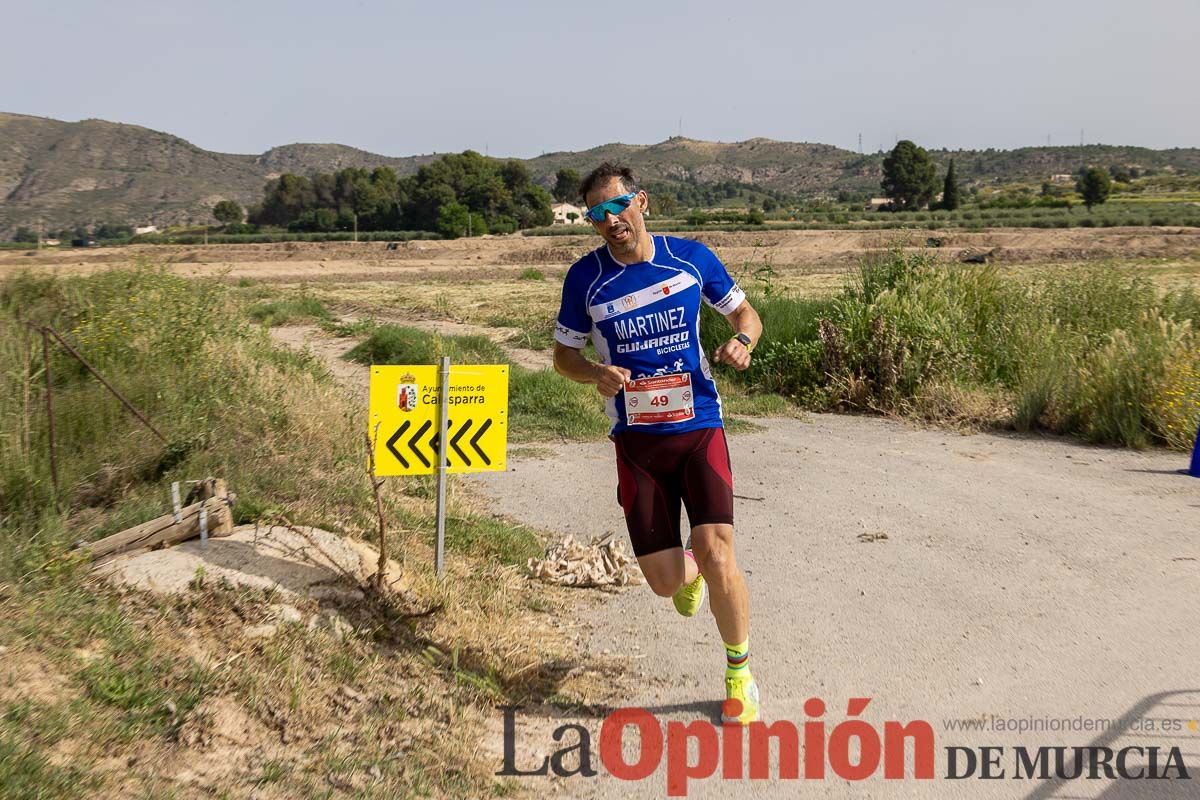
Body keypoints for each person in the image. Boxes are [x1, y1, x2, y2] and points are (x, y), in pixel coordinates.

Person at [552, 162, 764, 724]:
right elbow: (562, 358)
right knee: (666, 581)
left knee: (723, 552)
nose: (609, 220)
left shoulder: (691, 258)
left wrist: (742, 340)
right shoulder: (586, 279)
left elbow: (746, 314)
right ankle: (687, 566)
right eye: (596, 214)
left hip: (699, 426)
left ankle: (739, 673)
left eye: (617, 206)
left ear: (641, 201)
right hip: (638, 443)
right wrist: (592, 373)